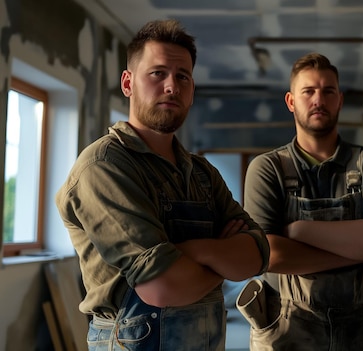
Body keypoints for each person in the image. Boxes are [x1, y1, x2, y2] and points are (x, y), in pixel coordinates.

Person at [55, 19, 270, 351]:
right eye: (157, 73)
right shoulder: (104, 166)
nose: (172, 86)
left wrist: (196, 252)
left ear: (192, 90)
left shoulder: (201, 172)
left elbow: (258, 253)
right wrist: (223, 261)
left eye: (182, 76)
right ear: (128, 83)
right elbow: (161, 287)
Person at [241, 52, 363, 350]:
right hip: (287, 334)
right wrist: (360, 253)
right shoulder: (267, 168)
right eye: (309, 91)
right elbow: (268, 254)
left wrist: (298, 231)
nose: (319, 99)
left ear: (340, 100)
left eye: (328, 91)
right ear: (291, 101)